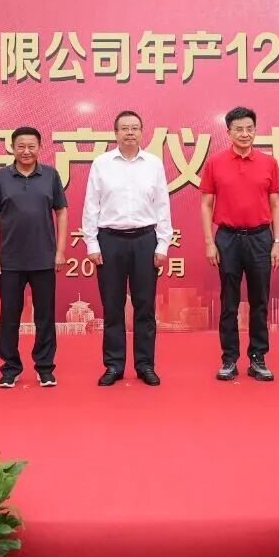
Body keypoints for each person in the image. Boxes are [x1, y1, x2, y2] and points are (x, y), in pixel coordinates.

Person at [82, 110, 173, 387]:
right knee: (113, 306)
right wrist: (92, 243)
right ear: (115, 133)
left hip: (145, 239)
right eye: (124, 128)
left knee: (145, 307)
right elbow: (91, 205)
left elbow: (162, 206)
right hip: (110, 240)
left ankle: (145, 365)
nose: (130, 132)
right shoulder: (102, 163)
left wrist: (163, 244)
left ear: (142, 132)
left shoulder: (153, 164)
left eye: (134, 128)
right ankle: (114, 365)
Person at [201, 106, 279, 382]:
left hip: (261, 238)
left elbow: (276, 204)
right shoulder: (215, 163)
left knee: (260, 301)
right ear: (229, 132)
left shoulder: (269, 163)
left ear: (255, 130)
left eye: (249, 128)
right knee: (229, 302)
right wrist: (209, 242)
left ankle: (258, 358)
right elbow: (206, 204)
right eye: (239, 129)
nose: (245, 134)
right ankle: (229, 359)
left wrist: (277, 242)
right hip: (227, 238)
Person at [0, 126, 69, 388]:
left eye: (31, 146)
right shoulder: (1, 177)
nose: (26, 151)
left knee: (45, 316)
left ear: (40, 148)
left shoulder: (50, 175)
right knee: (10, 316)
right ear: (12, 147)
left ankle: (45, 368)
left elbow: (61, 212)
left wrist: (60, 251)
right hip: (10, 261)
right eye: (21, 146)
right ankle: (10, 368)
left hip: (44, 259)